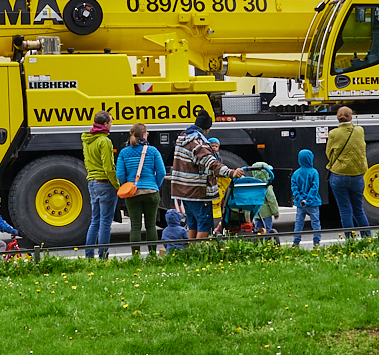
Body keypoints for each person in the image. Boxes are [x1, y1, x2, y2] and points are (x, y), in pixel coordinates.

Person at [169, 110, 244, 240]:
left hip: (183, 190)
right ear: (207, 128)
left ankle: (191, 249)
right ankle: (200, 250)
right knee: (204, 225)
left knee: (192, 223)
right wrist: (231, 172)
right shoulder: (198, 143)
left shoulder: (182, 138)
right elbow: (211, 164)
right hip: (198, 192)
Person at [115, 123, 167, 256]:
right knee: (151, 225)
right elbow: (161, 172)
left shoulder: (124, 152)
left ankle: (136, 257)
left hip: (133, 193)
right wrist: (155, 185)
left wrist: (127, 186)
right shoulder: (153, 151)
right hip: (151, 191)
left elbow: (120, 174)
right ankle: (152, 256)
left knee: (135, 226)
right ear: (144, 135)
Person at [325, 106, 370, 235]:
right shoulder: (359, 130)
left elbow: (329, 153)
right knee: (359, 210)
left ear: (337, 118)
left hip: (339, 175)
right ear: (351, 117)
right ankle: (367, 238)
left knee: (345, 210)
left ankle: (350, 240)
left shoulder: (333, 133)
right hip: (357, 175)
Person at [81, 111, 119, 259]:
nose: (112, 124)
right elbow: (109, 168)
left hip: (92, 182)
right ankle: (103, 257)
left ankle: (89, 256)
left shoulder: (87, 140)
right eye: (111, 121)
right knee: (105, 222)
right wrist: (117, 185)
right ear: (105, 124)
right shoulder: (104, 141)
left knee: (95, 221)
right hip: (104, 184)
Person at [291, 148, 322, 247]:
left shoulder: (296, 173)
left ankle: (296, 242)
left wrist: (301, 199)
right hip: (313, 203)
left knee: (299, 223)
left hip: (300, 204)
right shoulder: (314, 172)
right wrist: (308, 200)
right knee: (315, 223)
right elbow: (315, 187)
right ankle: (316, 243)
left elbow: (294, 188)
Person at [250, 161, 279, 234]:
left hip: (257, 213)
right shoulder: (267, 188)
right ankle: (267, 239)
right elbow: (272, 201)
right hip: (266, 214)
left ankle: (258, 239)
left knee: (258, 229)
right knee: (267, 229)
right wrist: (275, 213)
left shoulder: (253, 187)